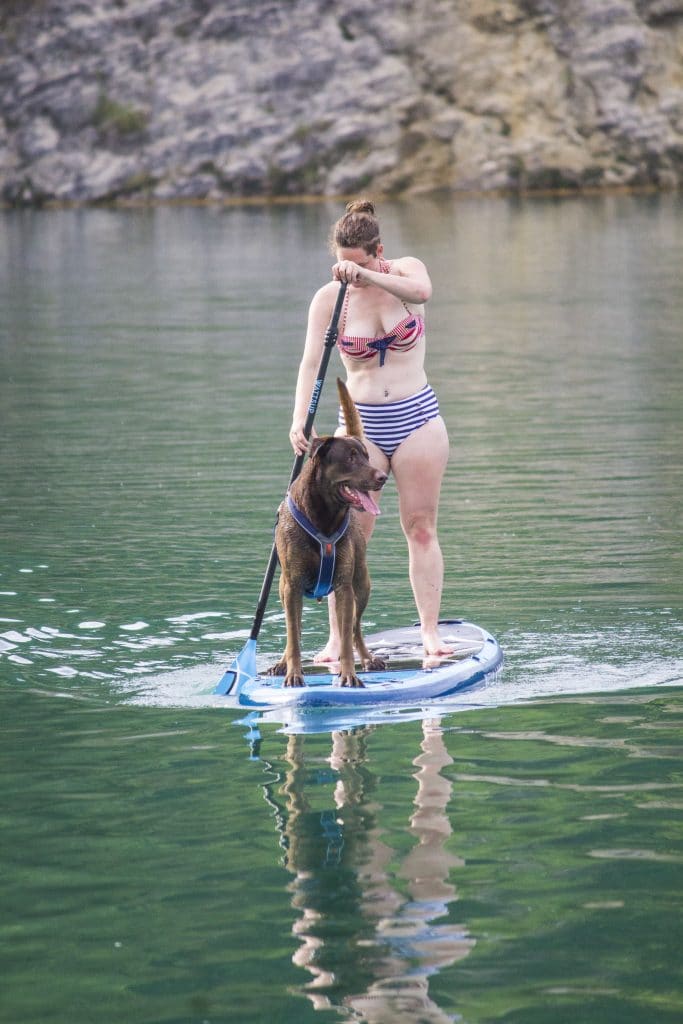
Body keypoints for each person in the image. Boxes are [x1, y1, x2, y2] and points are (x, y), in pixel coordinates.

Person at [289, 199, 453, 669]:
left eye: (358, 264)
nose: (348, 274)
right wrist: (300, 418)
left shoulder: (404, 273)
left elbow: (422, 292)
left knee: (420, 527)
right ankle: (339, 641)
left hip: (417, 417)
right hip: (360, 433)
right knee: (348, 538)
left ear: (378, 251)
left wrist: (371, 277)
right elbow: (309, 364)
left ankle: (429, 632)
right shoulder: (329, 299)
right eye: (341, 264)